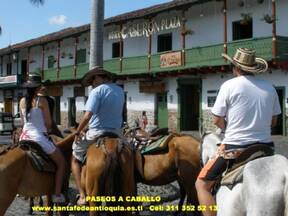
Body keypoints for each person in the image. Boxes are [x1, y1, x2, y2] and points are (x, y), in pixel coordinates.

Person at [195, 48, 281, 216]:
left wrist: (230, 128)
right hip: (266, 148)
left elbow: (216, 120)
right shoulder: (270, 88)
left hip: (234, 148)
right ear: (253, 68)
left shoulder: (229, 85)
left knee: (201, 185)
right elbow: (274, 121)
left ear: (236, 68)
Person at [71, 66, 124, 205]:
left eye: (94, 78)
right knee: (132, 154)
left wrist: (78, 131)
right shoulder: (120, 90)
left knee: (75, 155)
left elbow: (88, 115)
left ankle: (82, 194)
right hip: (117, 133)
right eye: (91, 80)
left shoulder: (97, 91)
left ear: (103, 77)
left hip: (97, 132)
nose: (92, 82)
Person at [19, 74, 66, 203]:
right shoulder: (42, 101)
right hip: (38, 137)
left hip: (23, 136)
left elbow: (23, 123)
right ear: (38, 87)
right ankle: (57, 194)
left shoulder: (22, 101)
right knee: (61, 163)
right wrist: (47, 130)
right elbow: (49, 124)